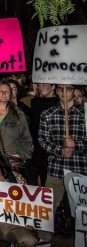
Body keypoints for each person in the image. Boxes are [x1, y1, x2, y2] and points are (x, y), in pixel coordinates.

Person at [38, 83, 87, 245]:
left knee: (83, 208)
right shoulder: (47, 114)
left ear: (74, 91)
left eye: (68, 89)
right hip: (56, 168)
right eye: (60, 89)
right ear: (56, 91)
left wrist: (76, 145)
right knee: (46, 207)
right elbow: (42, 140)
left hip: (80, 168)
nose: (64, 93)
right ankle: (44, 239)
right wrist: (60, 150)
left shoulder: (84, 114)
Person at [28, 82, 58, 186]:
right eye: (39, 84)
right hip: (38, 144)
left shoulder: (59, 104)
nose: (41, 87)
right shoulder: (35, 103)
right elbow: (33, 124)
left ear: (53, 86)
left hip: (53, 143)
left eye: (44, 84)